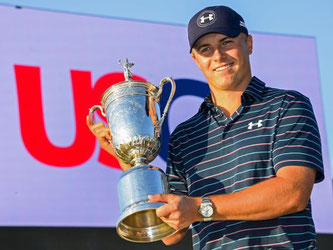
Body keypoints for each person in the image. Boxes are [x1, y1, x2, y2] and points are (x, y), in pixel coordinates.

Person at [87, 5, 324, 249]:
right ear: (196, 59)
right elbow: (170, 232)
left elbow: (293, 193)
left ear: (249, 43)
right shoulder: (185, 136)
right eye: (205, 49)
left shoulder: (287, 105)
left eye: (227, 42)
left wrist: (201, 208)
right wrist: (128, 161)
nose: (218, 56)